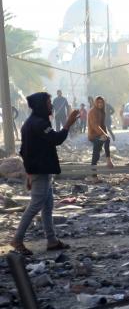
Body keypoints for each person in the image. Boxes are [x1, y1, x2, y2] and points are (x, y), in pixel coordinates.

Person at [10, 92, 79, 255]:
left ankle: (52, 241)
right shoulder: (39, 124)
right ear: (41, 105)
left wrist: (29, 173)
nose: (51, 105)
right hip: (40, 171)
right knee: (35, 206)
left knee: (47, 206)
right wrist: (68, 124)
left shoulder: (30, 123)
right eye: (48, 103)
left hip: (41, 170)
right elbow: (56, 139)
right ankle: (17, 240)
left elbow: (24, 150)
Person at [87, 96, 114, 178]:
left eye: (101, 102)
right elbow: (95, 125)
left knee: (96, 154)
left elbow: (102, 125)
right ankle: (108, 161)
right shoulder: (92, 111)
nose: (100, 104)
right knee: (97, 152)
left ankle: (94, 175)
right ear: (95, 103)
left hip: (99, 134)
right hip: (93, 135)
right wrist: (103, 134)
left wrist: (105, 134)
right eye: (98, 102)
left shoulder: (102, 111)